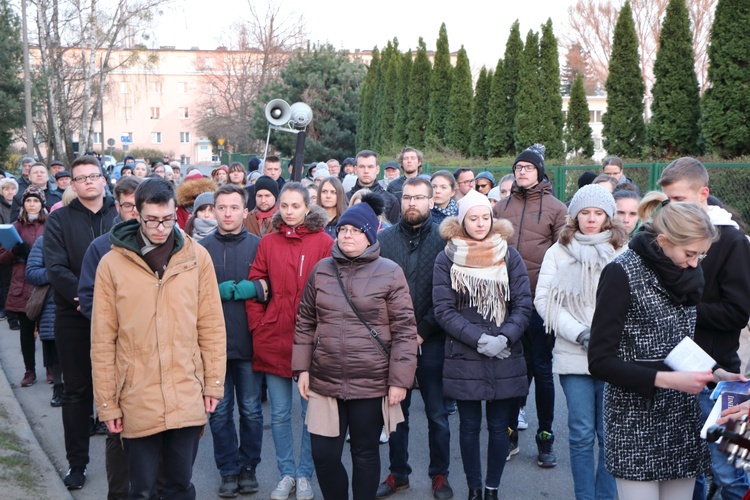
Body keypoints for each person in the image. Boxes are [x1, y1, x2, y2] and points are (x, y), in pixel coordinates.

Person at [91, 178, 226, 499]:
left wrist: (213, 383)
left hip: (186, 389)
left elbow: (211, 326)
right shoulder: (112, 264)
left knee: (179, 486)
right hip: (137, 393)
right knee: (142, 490)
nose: (160, 227)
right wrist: (107, 404)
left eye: (167, 219)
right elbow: (102, 340)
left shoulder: (197, 258)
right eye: (152, 220)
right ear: (136, 214)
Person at [588, 199, 722, 499]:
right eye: (690, 254)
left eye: (701, 255)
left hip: (681, 419)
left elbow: (678, 342)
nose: (694, 263)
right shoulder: (621, 272)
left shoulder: (689, 275)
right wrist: (667, 379)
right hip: (635, 419)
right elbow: (599, 361)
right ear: (662, 241)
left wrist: (717, 372)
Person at [293, 193, 418, 500]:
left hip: (371, 381)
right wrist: (301, 367)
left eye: (356, 230)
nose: (348, 235)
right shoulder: (322, 269)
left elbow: (404, 330)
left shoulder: (390, 272)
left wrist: (399, 381)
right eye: (344, 230)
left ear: (370, 235)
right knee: (323, 455)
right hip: (325, 379)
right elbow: (305, 320)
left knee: (364, 452)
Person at [657, 158, 750, 499]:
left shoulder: (733, 241)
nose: (672, 207)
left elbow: (737, 312)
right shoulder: (664, 237)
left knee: (729, 475)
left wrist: (683, 310)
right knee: (685, 470)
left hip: (717, 376)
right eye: (668, 200)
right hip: (672, 369)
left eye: (679, 200)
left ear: (703, 194)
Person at [433, 189, 532, 499]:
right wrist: (480, 339)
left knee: (500, 424)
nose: (480, 223)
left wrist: (504, 337)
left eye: (485, 217)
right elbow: (443, 311)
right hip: (464, 353)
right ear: (462, 221)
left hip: (506, 351)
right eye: (472, 218)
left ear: (493, 218)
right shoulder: (446, 256)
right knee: (470, 426)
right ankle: (474, 489)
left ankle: (492, 489)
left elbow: (523, 304)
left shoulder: (509, 254)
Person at [535, 184, 626, 500]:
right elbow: (545, 301)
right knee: (581, 434)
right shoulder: (558, 252)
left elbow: (632, 302)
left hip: (614, 356)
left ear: (608, 217)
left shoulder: (622, 252)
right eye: (585, 212)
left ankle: (606, 497)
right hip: (574, 354)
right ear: (574, 215)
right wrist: (581, 333)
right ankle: (585, 496)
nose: (591, 219)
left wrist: (607, 336)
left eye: (598, 213)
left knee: (610, 435)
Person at [245, 183, 334, 500]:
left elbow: (333, 290)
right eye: (285, 205)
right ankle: (286, 473)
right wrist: (259, 323)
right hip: (275, 337)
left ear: (307, 208)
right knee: (280, 414)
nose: (290, 211)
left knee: (310, 413)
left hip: (313, 343)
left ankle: (304, 474)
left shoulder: (325, 242)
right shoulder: (268, 242)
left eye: (296, 205)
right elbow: (256, 283)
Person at [44, 155, 118, 490]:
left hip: (120, 318)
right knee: (76, 392)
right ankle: (78, 463)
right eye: (81, 178)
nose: (88, 182)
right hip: (73, 316)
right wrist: (88, 299)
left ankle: (129, 460)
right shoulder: (59, 220)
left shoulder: (120, 215)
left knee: (121, 388)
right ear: (72, 185)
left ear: (104, 179)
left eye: (94, 176)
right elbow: (56, 267)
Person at [376, 178, 454, 499]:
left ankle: (440, 475)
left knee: (437, 414)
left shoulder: (444, 241)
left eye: (418, 198)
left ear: (431, 200)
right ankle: (398, 473)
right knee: (397, 413)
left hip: (432, 339)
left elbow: (450, 294)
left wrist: (422, 331)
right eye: (407, 197)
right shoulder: (384, 240)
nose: (411, 203)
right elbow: (377, 290)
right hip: (394, 341)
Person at [492, 144, 567, 467]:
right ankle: (509, 434)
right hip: (506, 302)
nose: (522, 172)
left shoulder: (556, 208)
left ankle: (545, 437)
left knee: (542, 370)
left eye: (528, 168)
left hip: (540, 303)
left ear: (540, 172)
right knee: (512, 371)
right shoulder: (501, 206)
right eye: (518, 167)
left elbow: (564, 256)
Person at [77, 175, 142, 499]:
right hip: (118, 353)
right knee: (118, 432)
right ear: (117, 206)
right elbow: (88, 298)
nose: (134, 212)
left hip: (155, 356)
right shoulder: (101, 248)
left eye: (138, 205)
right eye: (127, 206)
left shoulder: (163, 244)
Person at [200, 185, 264, 498]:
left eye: (234, 207)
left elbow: (273, 286)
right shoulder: (200, 248)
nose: (228, 213)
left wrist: (256, 288)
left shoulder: (259, 246)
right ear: (213, 210)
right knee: (220, 411)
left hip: (250, 342)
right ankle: (227, 470)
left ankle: (248, 467)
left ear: (244, 211)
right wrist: (214, 290)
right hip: (213, 347)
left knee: (251, 410)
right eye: (222, 207)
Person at [0, 186, 47, 387]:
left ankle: (52, 370)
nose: (32, 204)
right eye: (28, 201)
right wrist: (15, 251)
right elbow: (2, 257)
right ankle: (29, 370)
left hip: (45, 284)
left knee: (48, 331)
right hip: (22, 284)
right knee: (26, 332)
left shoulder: (50, 224)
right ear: (24, 204)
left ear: (41, 204)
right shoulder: (15, 227)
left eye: (36, 201)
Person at [26, 235, 63, 405]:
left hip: (79, 302)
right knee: (54, 352)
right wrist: (57, 272)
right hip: (51, 305)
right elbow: (32, 273)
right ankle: (58, 389)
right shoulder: (44, 241)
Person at [346, 150, 400, 225]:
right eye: (362, 167)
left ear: (377, 169)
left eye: (370, 167)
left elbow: (394, 232)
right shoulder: (345, 199)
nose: (366, 171)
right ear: (355, 169)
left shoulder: (390, 200)